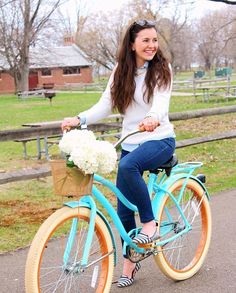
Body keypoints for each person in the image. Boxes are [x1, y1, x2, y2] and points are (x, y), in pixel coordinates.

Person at [61, 19, 175, 288]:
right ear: (132, 44)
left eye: (155, 40)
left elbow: (160, 102)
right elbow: (105, 105)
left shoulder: (161, 69)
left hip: (159, 139)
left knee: (127, 168)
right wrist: (79, 118)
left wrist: (151, 118)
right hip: (131, 142)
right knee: (123, 208)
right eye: (145, 40)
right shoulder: (120, 71)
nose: (151, 45)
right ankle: (129, 264)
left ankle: (150, 225)